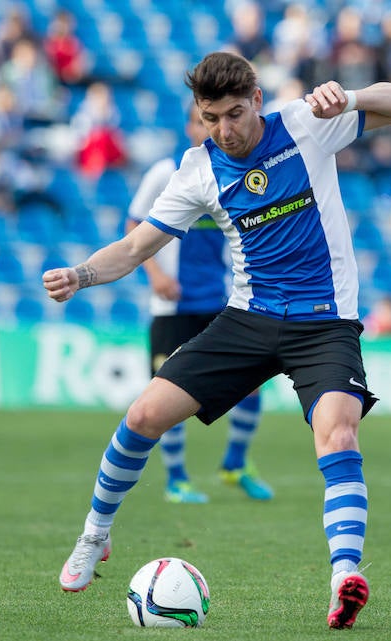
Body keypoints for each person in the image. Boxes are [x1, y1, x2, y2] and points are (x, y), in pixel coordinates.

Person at [43, 51, 391, 630]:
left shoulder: (306, 123)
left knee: (338, 430)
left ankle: (344, 574)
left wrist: (351, 97)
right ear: (199, 115)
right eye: (211, 116)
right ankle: (95, 536)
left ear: (259, 103)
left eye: (236, 114)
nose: (226, 129)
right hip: (249, 318)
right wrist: (81, 275)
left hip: (325, 321)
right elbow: (133, 248)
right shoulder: (197, 170)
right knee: (144, 413)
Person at [125, 103, 273, 504]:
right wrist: (156, 276)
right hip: (173, 306)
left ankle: (235, 464)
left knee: (253, 383)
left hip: (221, 301)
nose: (211, 129)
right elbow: (134, 224)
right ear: (191, 126)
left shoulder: (234, 171)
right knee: (166, 395)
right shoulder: (165, 171)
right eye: (202, 121)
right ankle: (177, 480)